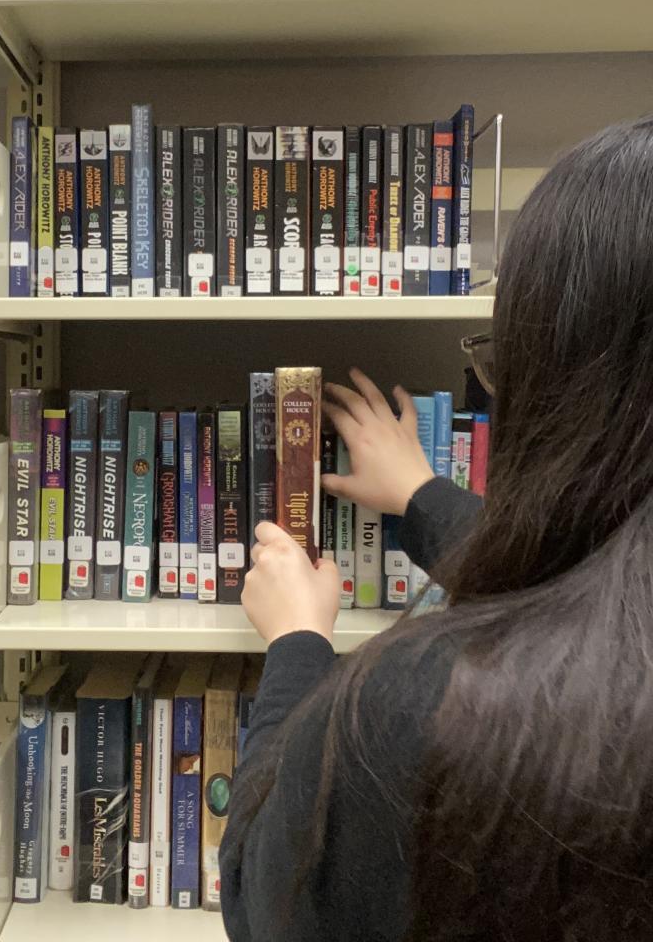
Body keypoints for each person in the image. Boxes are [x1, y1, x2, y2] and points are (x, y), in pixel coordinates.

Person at [220, 119, 653, 942]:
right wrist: (423, 496)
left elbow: (260, 895)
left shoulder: (420, 710)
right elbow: (590, 576)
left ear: (552, 378)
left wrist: (298, 647)